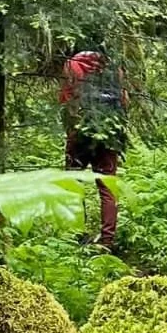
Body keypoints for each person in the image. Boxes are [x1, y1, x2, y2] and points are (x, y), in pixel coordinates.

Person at [61, 49, 129, 248]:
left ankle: (77, 235)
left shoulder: (72, 65)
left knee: (74, 184)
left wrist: (72, 130)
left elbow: (66, 99)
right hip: (109, 133)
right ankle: (108, 240)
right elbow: (124, 101)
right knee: (107, 187)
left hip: (80, 132)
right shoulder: (114, 68)